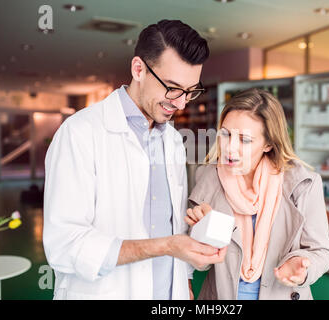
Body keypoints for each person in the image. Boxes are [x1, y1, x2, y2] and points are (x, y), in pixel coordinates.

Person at [43, 19, 226, 300]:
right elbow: (64, 245)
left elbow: (174, 223)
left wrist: (186, 280)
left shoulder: (174, 141)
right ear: (138, 69)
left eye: (190, 91)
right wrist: (164, 246)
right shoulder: (80, 133)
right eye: (173, 88)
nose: (180, 103)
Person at [186, 88, 329, 300]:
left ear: (268, 144)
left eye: (245, 140)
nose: (230, 148)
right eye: (225, 134)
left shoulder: (303, 184)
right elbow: (201, 264)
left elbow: (321, 252)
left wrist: (301, 267)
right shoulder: (207, 179)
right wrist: (206, 231)